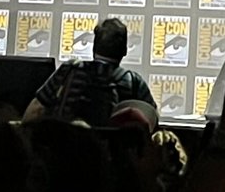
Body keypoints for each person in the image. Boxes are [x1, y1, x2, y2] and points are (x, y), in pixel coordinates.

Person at [24, 17, 153, 123]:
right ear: (124, 50)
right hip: (109, 146)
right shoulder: (134, 81)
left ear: (94, 47)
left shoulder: (70, 69)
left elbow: (36, 109)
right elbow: (151, 119)